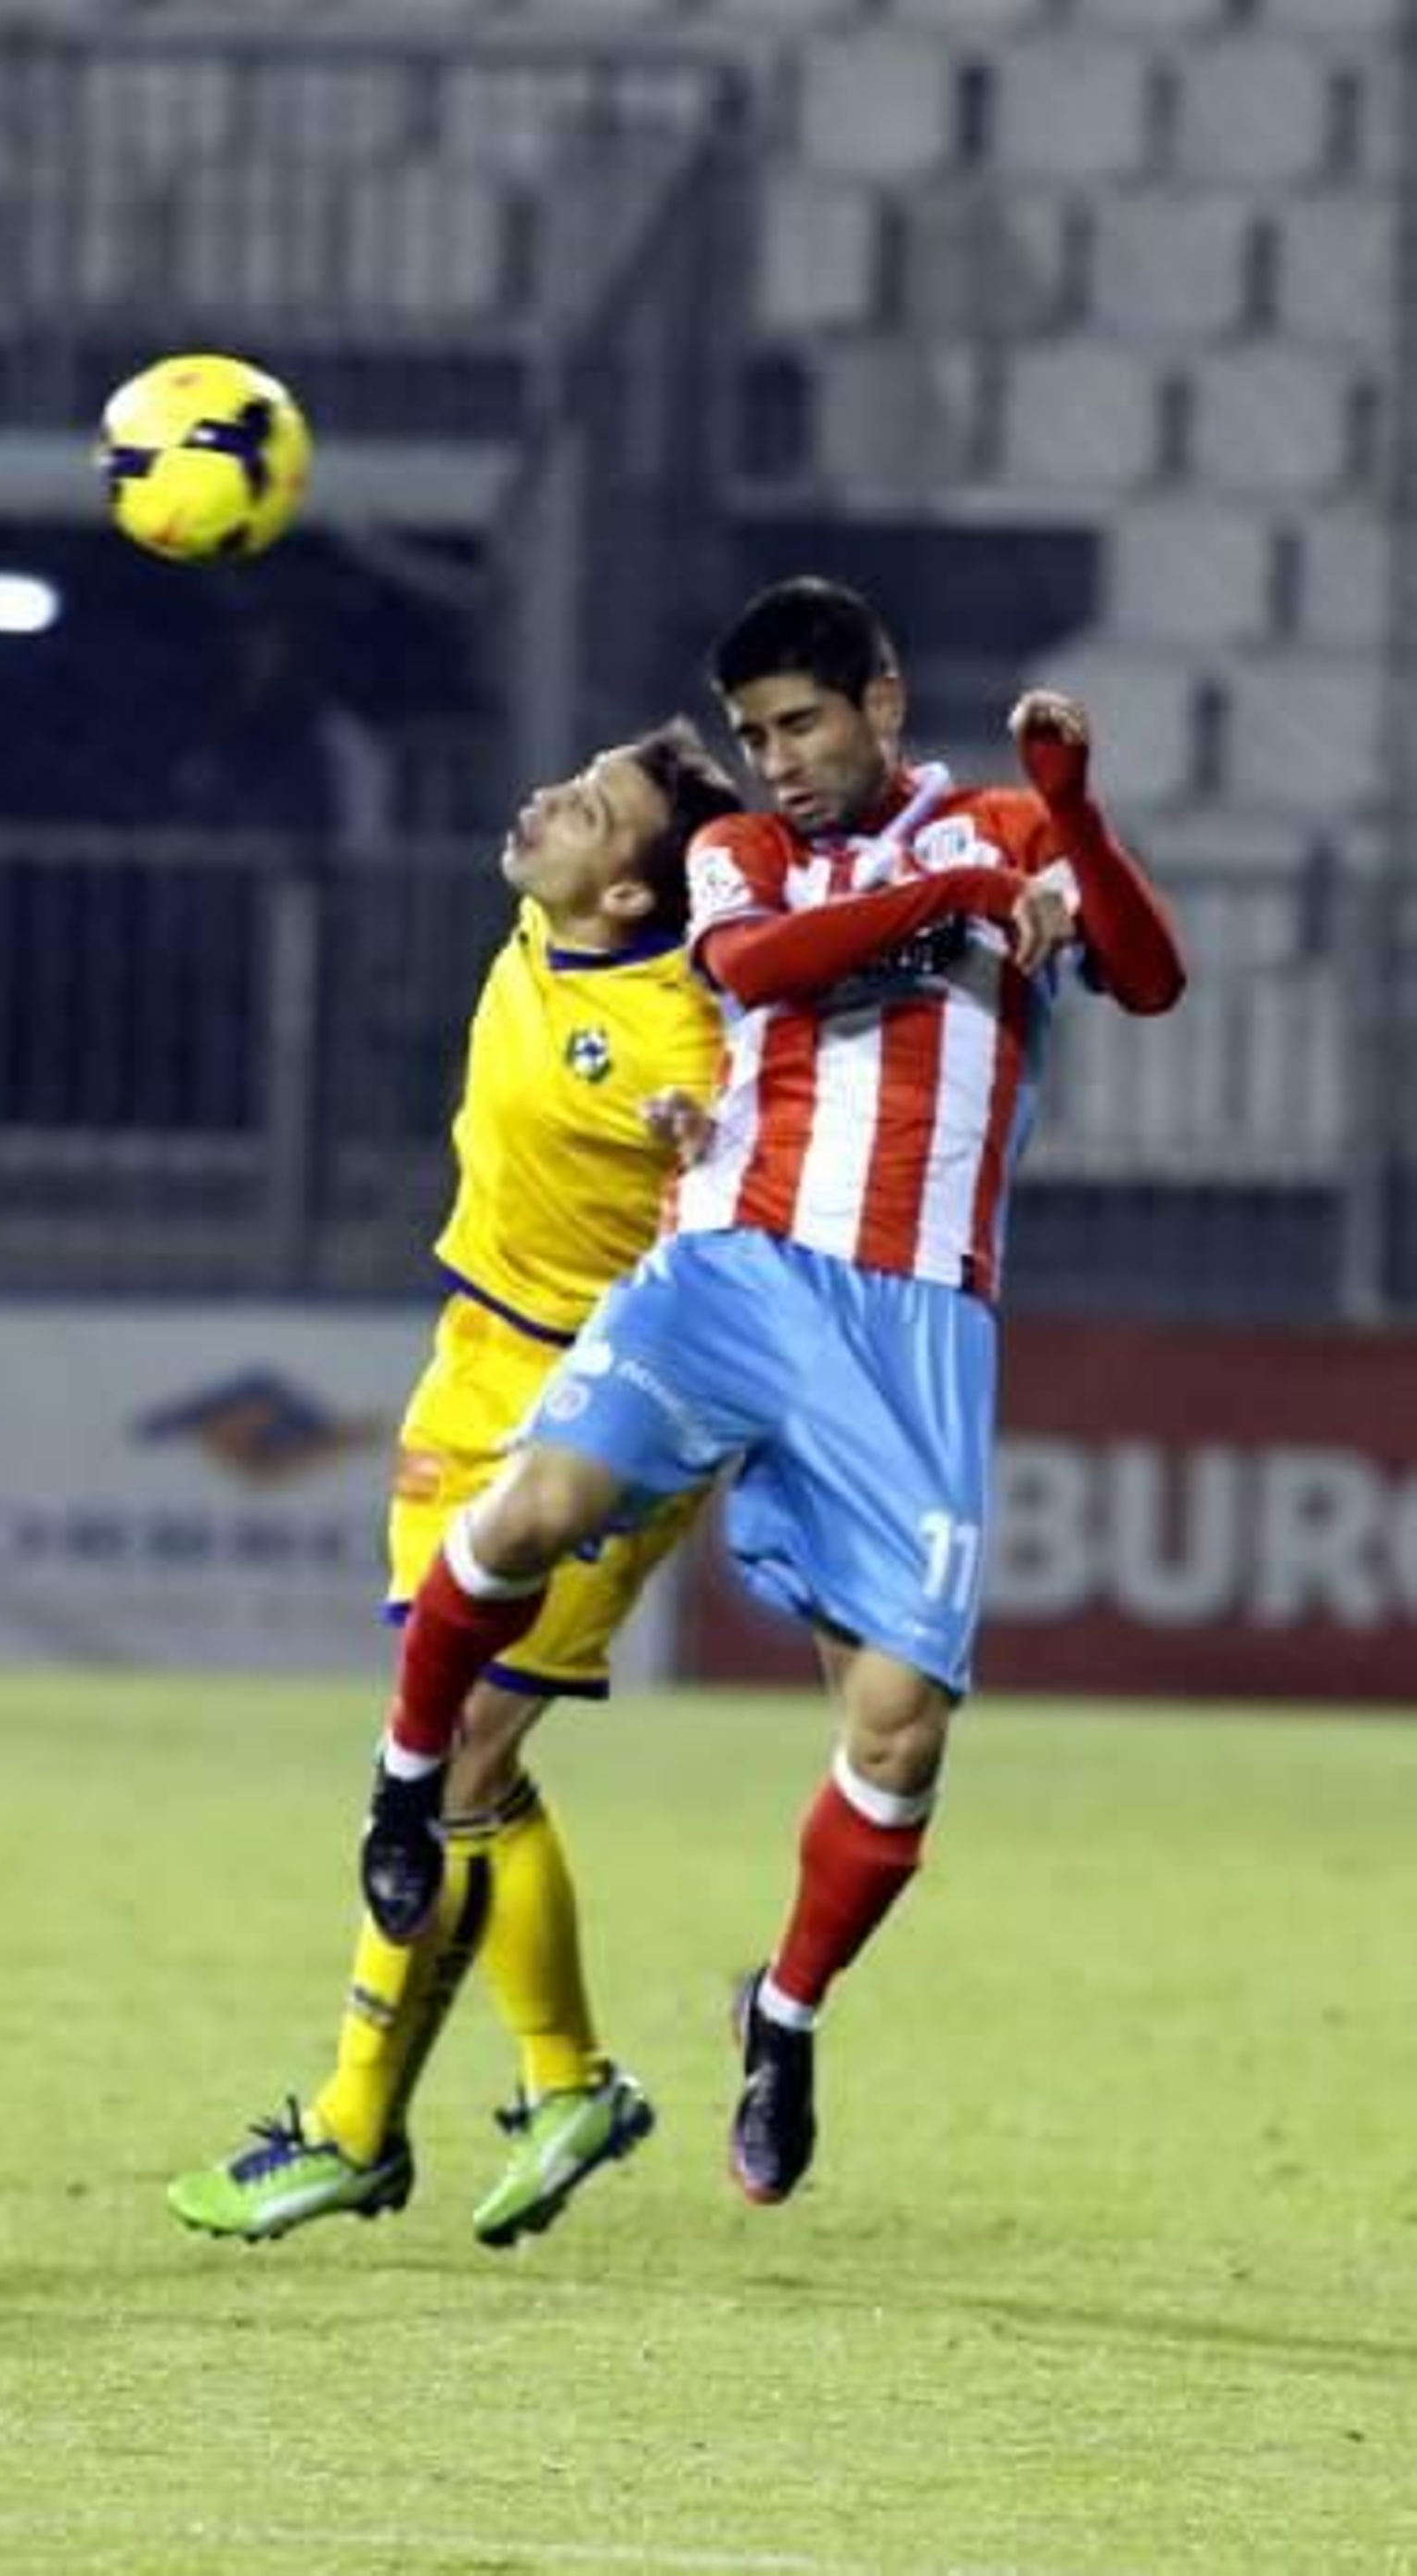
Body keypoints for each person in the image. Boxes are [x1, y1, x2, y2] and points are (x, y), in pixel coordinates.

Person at [353, 575, 1188, 2207]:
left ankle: (784, 2017)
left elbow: (1150, 981)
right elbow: (751, 962)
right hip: (733, 1266)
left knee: (901, 1730)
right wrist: (964, 895)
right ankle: (402, 1787)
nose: (778, 761)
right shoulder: (748, 852)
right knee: (526, 1512)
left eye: (801, 725)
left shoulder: (1013, 827)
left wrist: (1074, 821)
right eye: (753, 736)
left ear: (884, 702)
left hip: (915, 1317)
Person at [168, 717, 743, 2246]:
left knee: (465, 1753)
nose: (546, 801)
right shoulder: (551, 923)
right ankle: (556, 2086)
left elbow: (748, 1196)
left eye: (591, 809)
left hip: (603, 1411)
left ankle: (366, 2121)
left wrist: (710, 1145)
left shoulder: (688, 1045)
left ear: (633, 894)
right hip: (471, 1359)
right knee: (455, 1752)